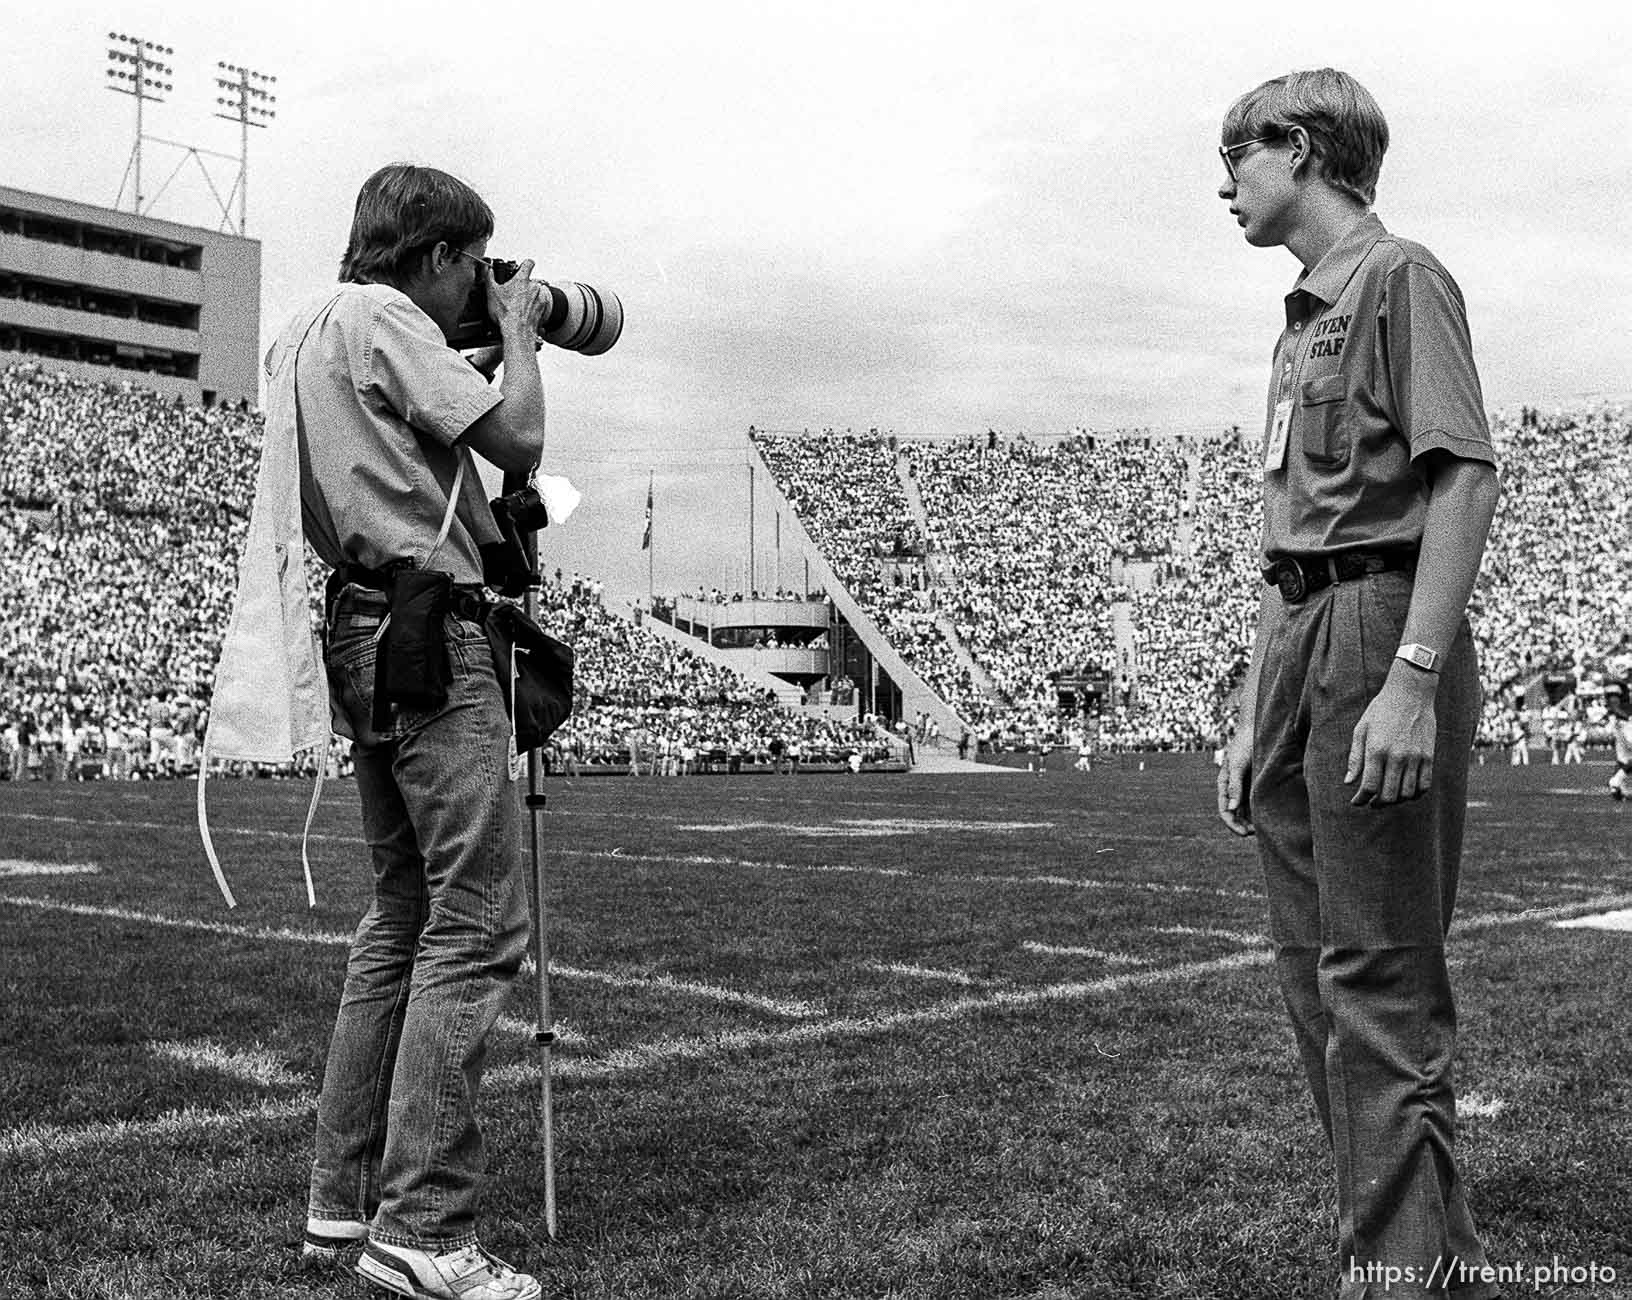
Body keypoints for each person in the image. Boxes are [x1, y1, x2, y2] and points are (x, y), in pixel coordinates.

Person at [1212, 70, 1502, 1298]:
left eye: (1238, 151)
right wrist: (1246, 711)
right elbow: (1290, 528)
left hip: (1376, 619)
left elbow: (1466, 477)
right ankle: (1418, 1258)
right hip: (1298, 628)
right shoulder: (1300, 317)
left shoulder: (1400, 277)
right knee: (1312, 975)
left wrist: (1412, 679)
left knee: (1376, 977)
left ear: (1307, 148)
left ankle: (1396, 1275)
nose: (1222, 180)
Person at [290, 164, 549, 1300]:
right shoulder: (390, 315)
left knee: (399, 913)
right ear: (438, 255)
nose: (475, 291)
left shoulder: (312, 324)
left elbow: (403, 415)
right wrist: (526, 337)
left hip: (359, 623)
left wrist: (477, 342)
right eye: (472, 269)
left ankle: (340, 1206)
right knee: (478, 918)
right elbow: (522, 441)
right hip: (430, 628)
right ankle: (424, 1225)